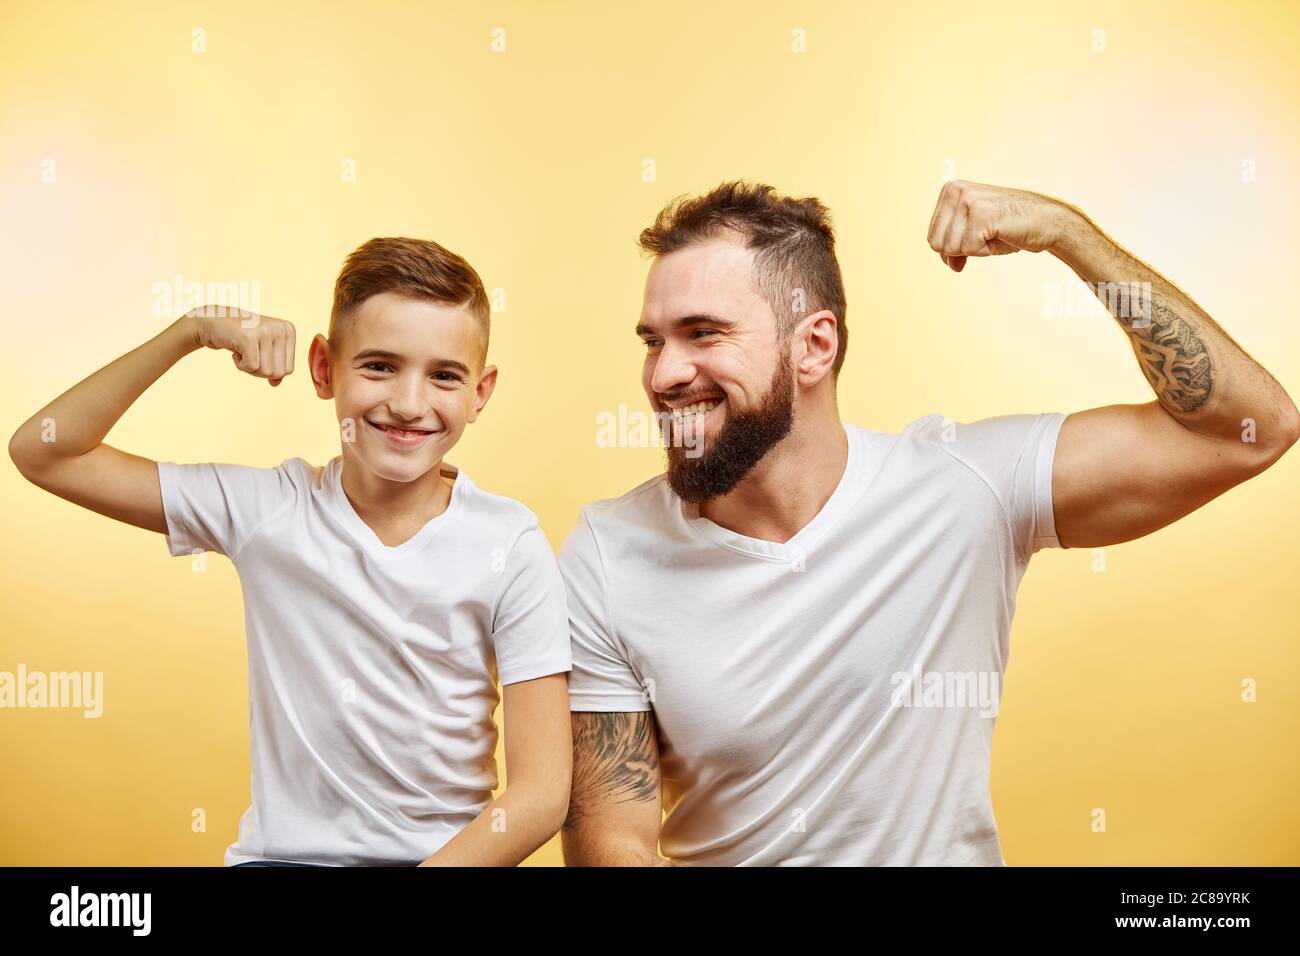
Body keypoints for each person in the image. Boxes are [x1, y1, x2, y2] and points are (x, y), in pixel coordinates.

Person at [558, 180, 1300, 866]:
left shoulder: (966, 487)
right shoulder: (610, 552)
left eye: (703, 333)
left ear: (814, 346)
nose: (662, 376)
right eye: (653, 341)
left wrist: (1071, 236)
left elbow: (1246, 429)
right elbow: (610, 834)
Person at [8, 237, 573, 866]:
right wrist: (190, 332)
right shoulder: (267, 510)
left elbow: (541, 792)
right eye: (380, 366)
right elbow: (47, 451)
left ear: (480, 392)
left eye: (444, 375)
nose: (410, 404)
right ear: (324, 368)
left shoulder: (510, 543)